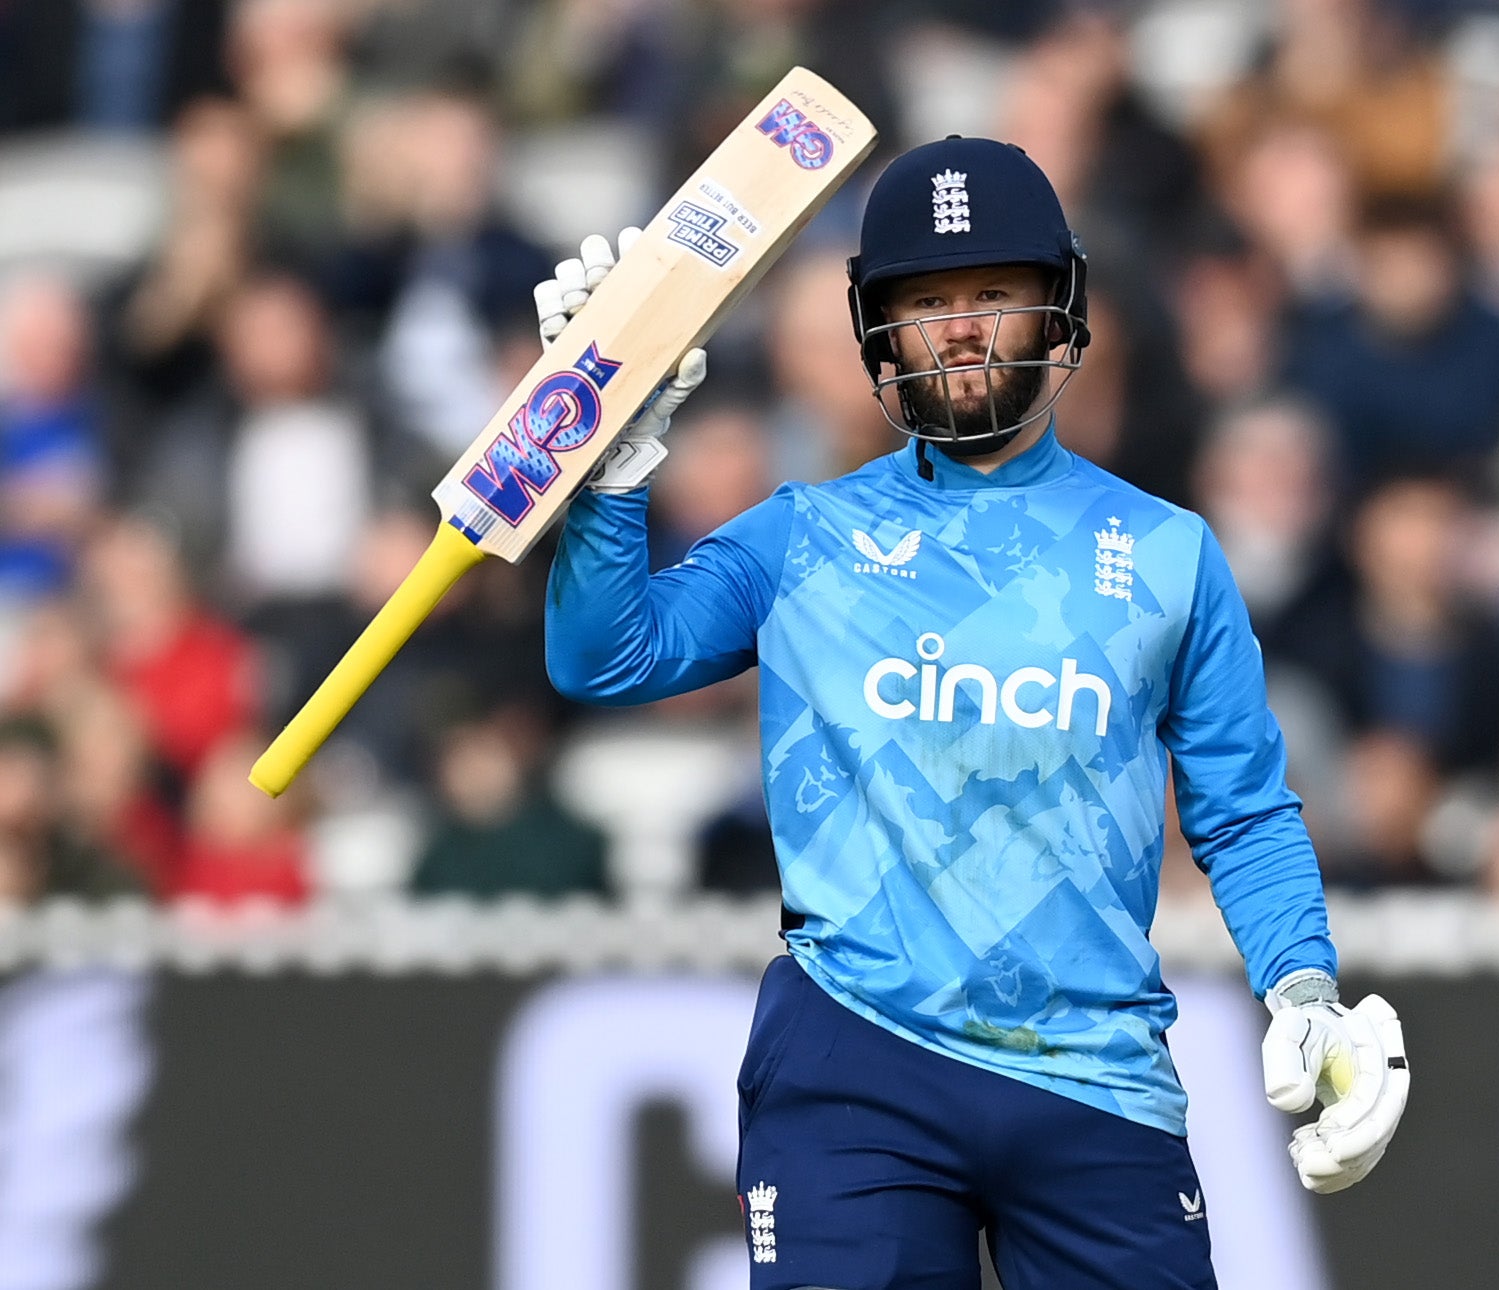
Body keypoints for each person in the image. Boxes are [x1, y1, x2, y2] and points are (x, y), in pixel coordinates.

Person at [540, 137, 1409, 1288]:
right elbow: (606, 658)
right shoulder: (801, 538)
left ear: (1059, 306)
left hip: (1094, 1071)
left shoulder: (1166, 553)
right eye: (926, 300)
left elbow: (1242, 814)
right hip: (856, 1060)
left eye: (992, 293)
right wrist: (607, 472)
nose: (958, 326)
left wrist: (1302, 988)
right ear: (877, 327)